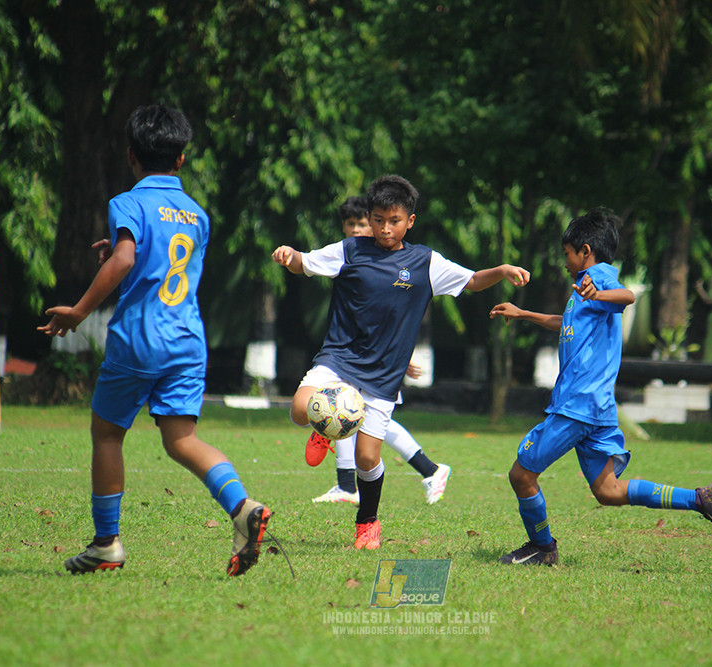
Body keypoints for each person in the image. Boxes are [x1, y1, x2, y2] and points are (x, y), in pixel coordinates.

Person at [39, 104, 271, 576]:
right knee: (181, 438)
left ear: (131, 155)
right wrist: (129, 251)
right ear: (181, 160)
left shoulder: (127, 202)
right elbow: (163, 260)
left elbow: (126, 260)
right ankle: (243, 507)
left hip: (141, 336)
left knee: (107, 432)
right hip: (187, 339)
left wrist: (80, 311)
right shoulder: (197, 215)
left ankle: (106, 545)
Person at [272, 175, 529, 549]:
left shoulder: (424, 261)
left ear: (410, 221)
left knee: (366, 457)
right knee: (298, 409)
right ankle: (325, 426)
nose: (384, 228)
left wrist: (502, 271)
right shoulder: (351, 250)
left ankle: (367, 522)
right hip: (340, 357)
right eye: (377, 219)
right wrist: (289, 256)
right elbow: (306, 264)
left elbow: (471, 281)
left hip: (383, 375)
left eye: (394, 221)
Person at [489, 207, 712, 566]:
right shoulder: (584, 290)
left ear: (585, 251)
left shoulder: (600, 275)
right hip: (598, 408)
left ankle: (542, 548)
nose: (565, 262)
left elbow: (626, 297)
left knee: (521, 475)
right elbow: (570, 323)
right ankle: (700, 498)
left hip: (577, 405)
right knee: (609, 491)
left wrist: (598, 293)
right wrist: (524, 314)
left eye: (567, 254)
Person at [309, 196, 450, 507]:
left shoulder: (391, 261)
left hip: (380, 365)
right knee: (348, 414)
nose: (358, 231)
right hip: (353, 358)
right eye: (351, 225)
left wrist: (405, 356)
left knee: (361, 419)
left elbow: (392, 315)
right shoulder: (349, 257)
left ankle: (429, 469)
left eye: (363, 224)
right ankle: (348, 484)